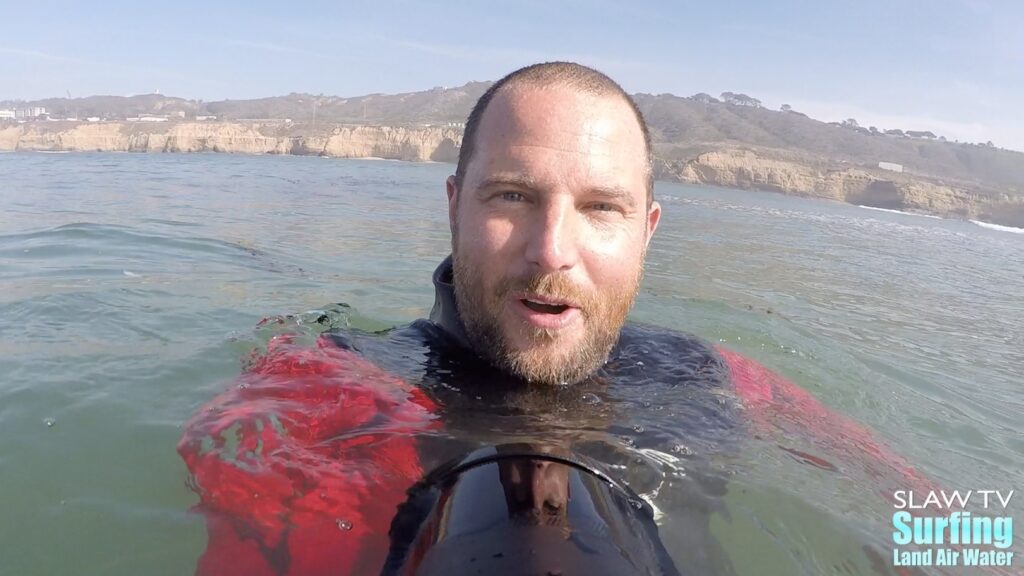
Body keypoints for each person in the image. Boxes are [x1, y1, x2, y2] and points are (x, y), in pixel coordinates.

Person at [178, 62, 933, 575]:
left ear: (647, 231)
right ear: (454, 207)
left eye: (602, 208)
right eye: (511, 196)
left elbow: (942, 523)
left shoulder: (715, 377)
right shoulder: (319, 387)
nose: (552, 250)